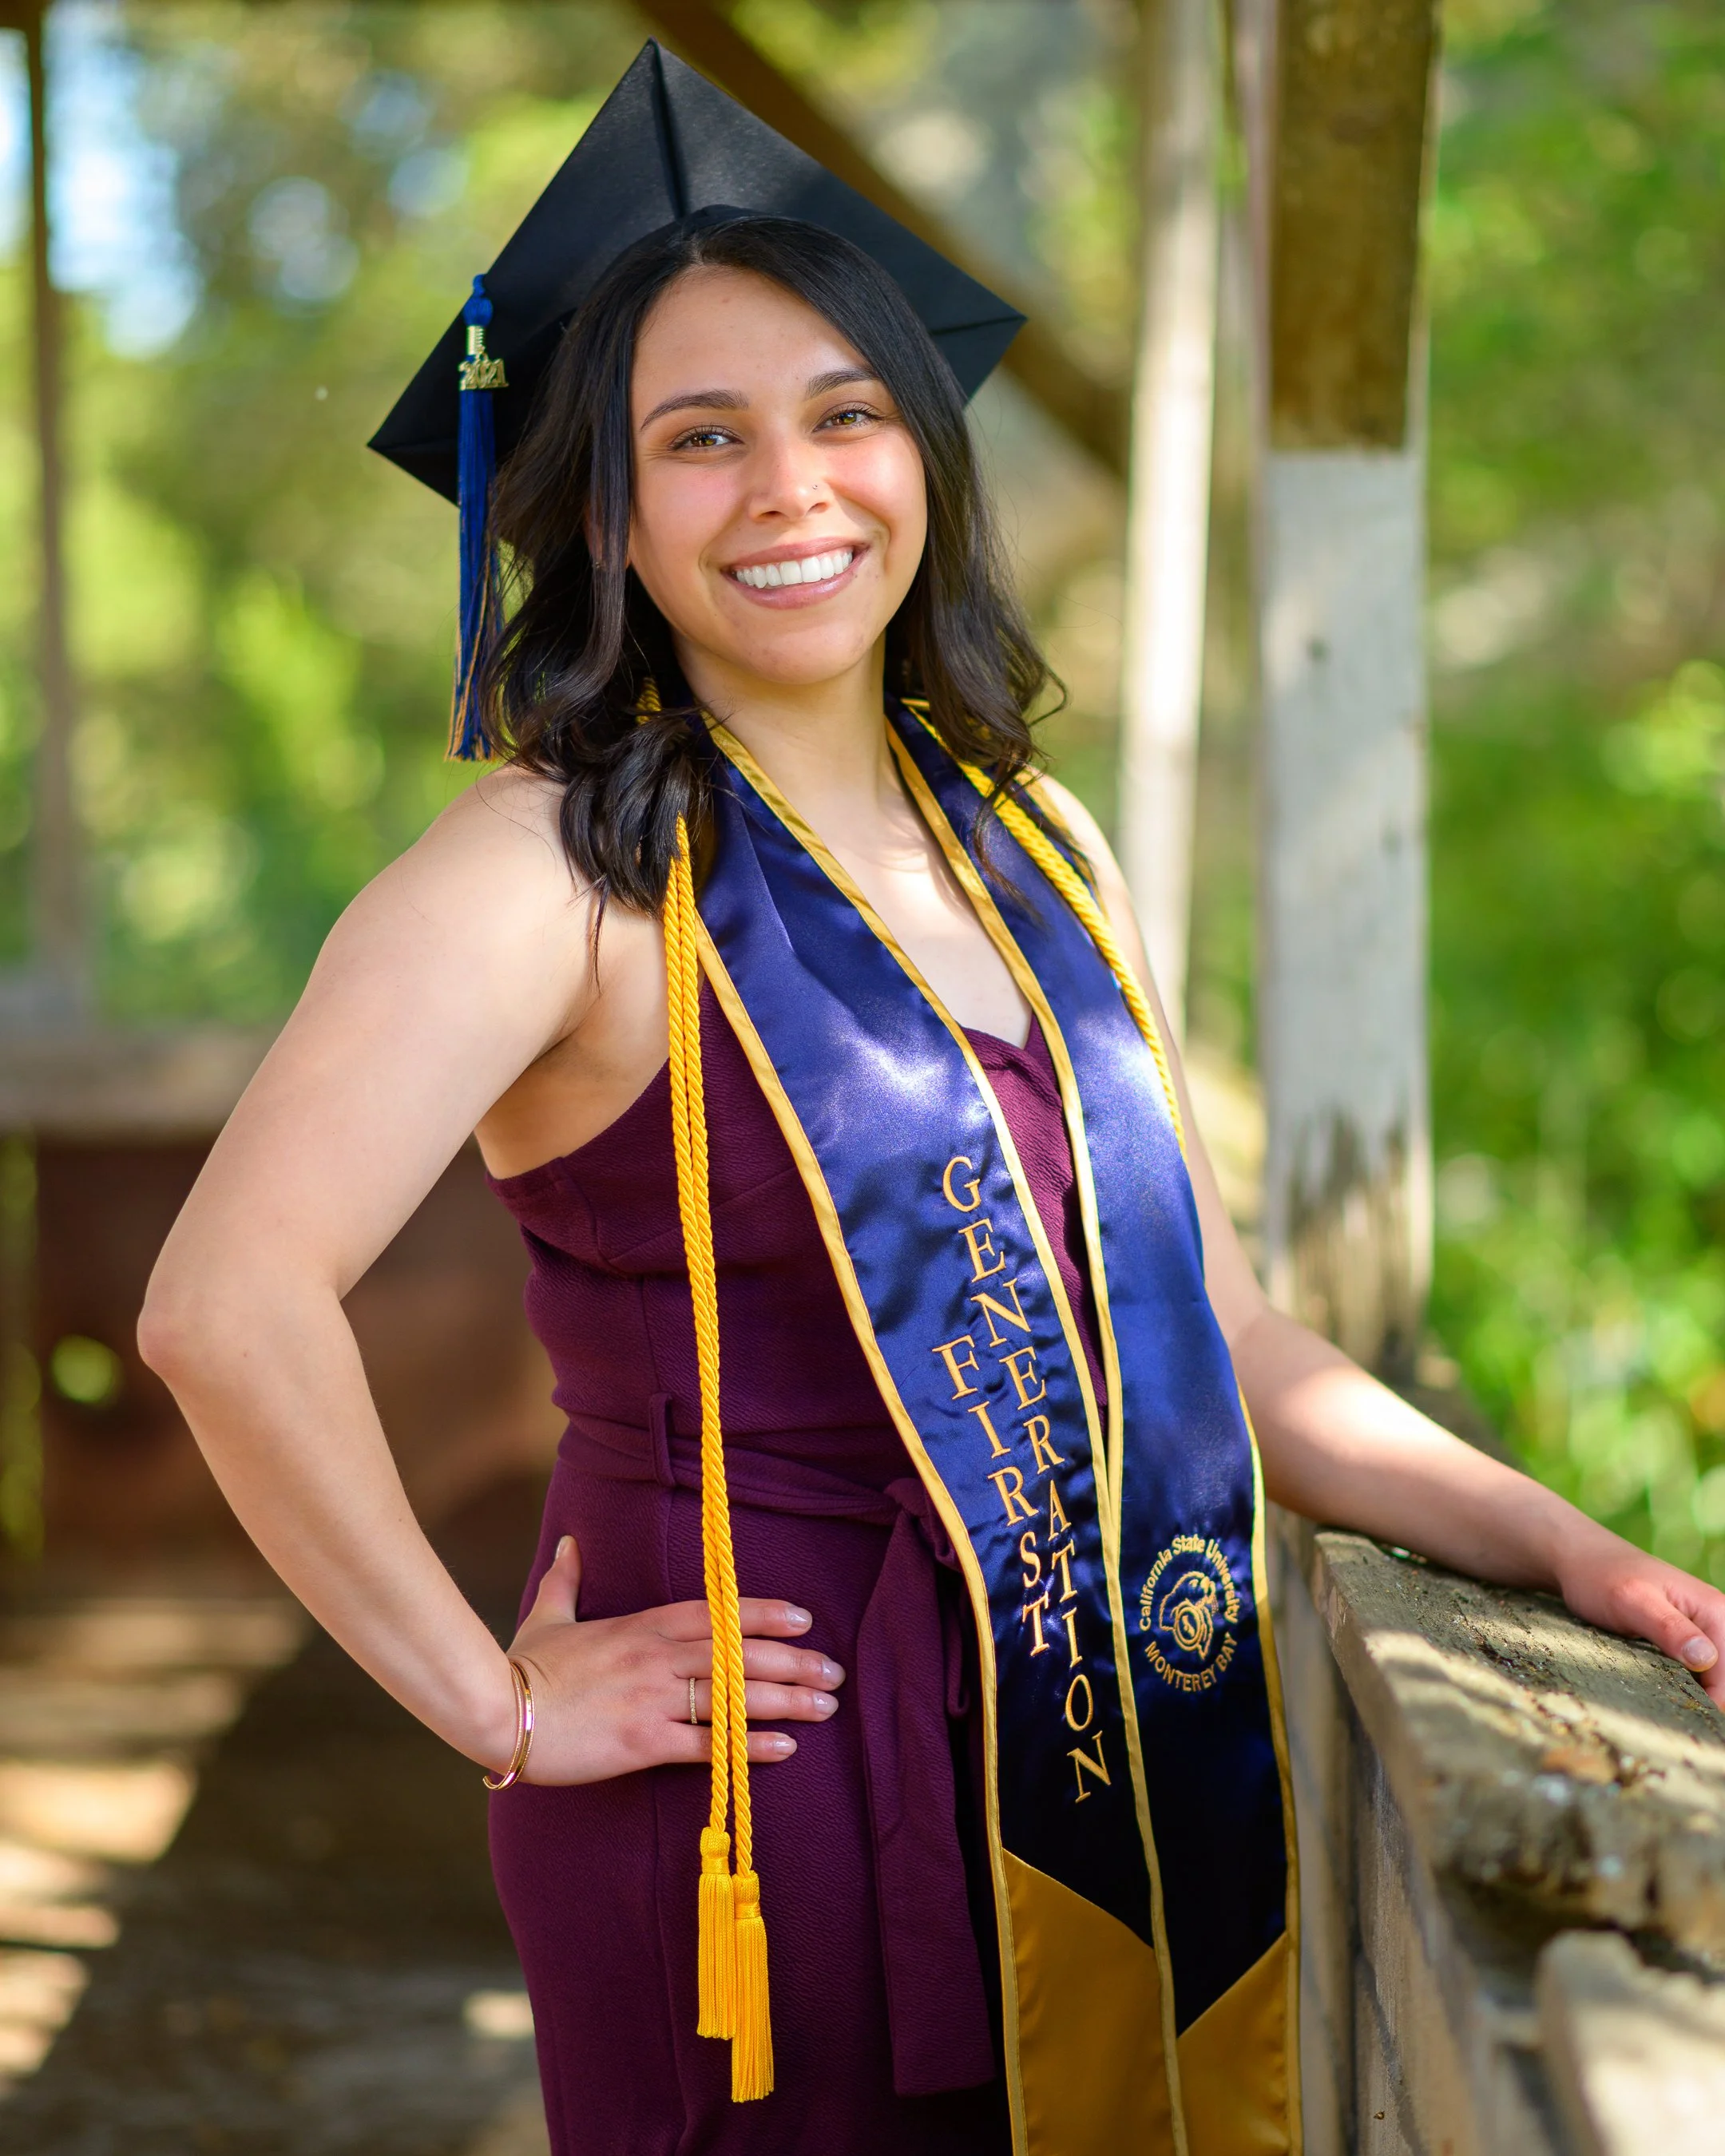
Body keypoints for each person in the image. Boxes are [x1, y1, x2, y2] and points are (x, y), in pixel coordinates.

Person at [139, 42, 1725, 2156]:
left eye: (846, 412)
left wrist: (1574, 1551)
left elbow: (1222, 1335)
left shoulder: (1036, 841)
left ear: (924, 452)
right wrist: (493, 1701)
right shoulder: (553, 873)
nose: (791, 488)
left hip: (1104, 1780)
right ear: (602, 510)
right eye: (702, 438)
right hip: (765, 1813)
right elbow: (223, 1304)